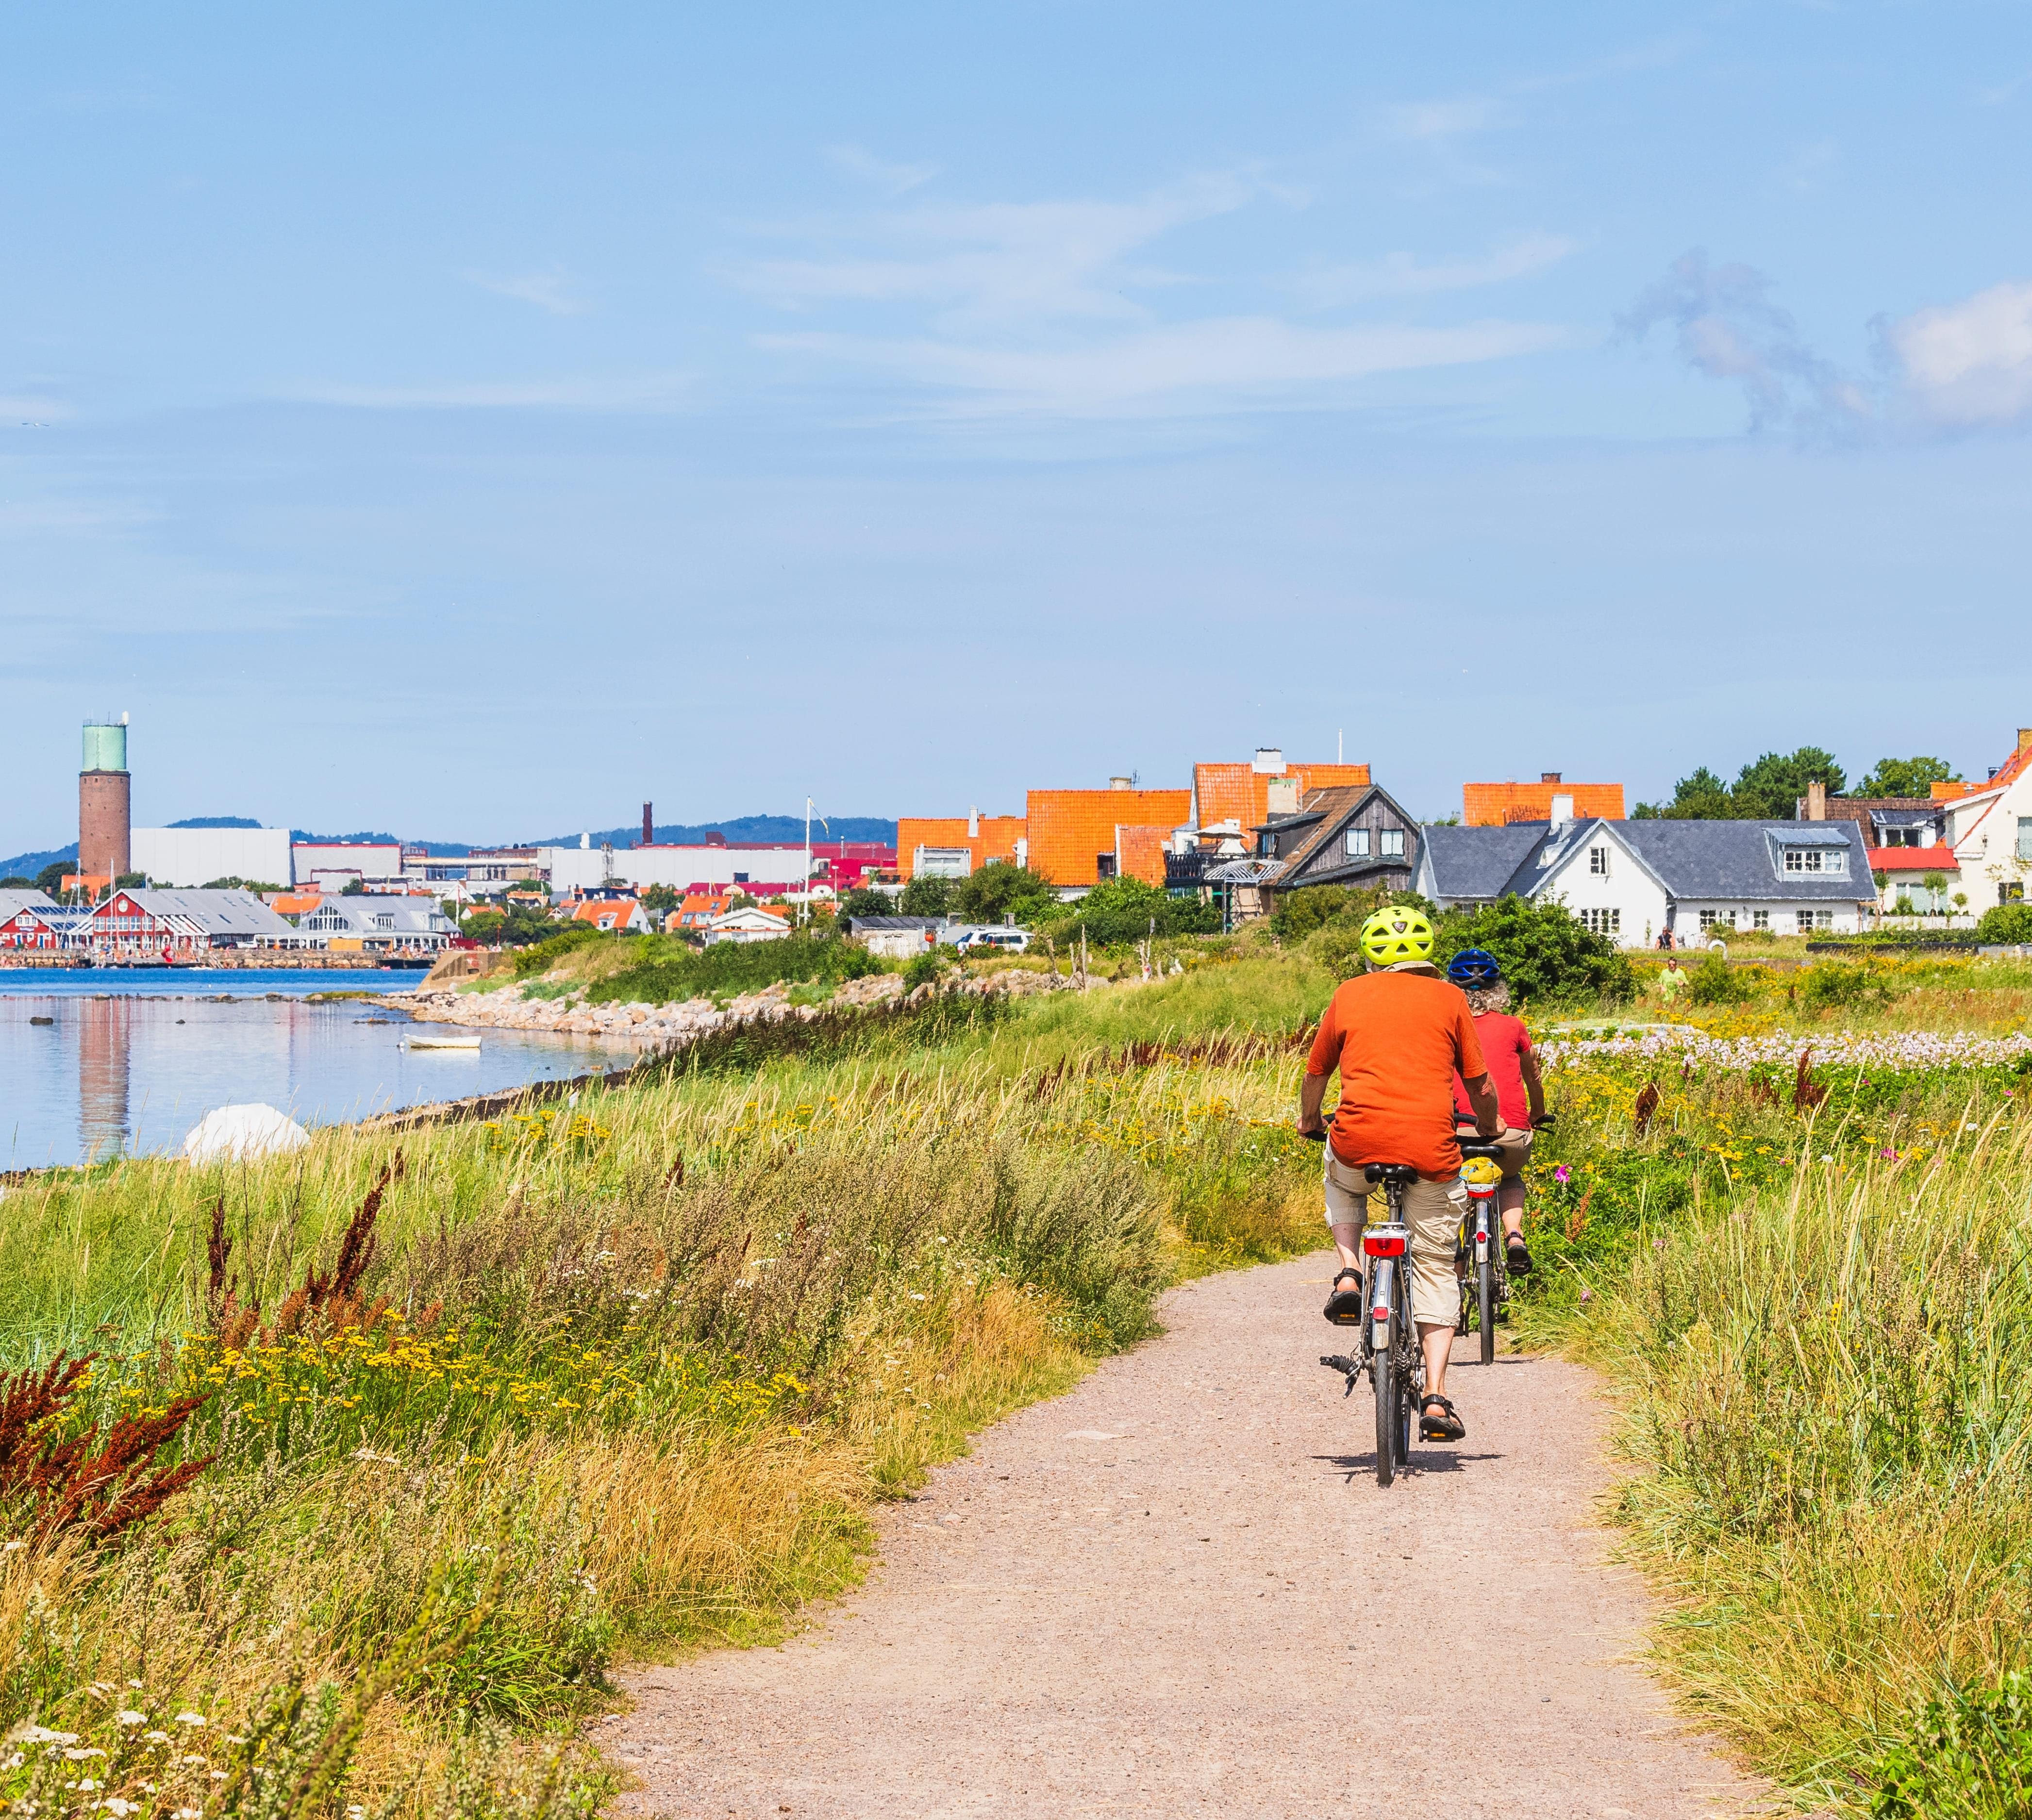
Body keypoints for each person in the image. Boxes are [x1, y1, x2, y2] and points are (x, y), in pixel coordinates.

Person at [1299, 904, 1501, 1444]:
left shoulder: (1348, 994)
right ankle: (1435, 1396)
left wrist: (1310, 1120)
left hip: (1357, 1145)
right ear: (1428, 953)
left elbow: (1316, 1072)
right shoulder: (1451, 998)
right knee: (1435, 1264)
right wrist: (1489, 1125)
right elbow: (1480, 1084)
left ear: (1370, 956)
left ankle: (1349, 1273)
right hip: (1430, 1151)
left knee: (1341, 1179)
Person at [1444, 948, 1548, 1277]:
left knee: (1448, 1185)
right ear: (1498, 990)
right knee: (1510, 1175)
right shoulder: (1514, 1026)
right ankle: (1514, 1234)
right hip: (1510, 1133)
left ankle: (1455, 1264)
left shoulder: (1444, 1027)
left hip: (1456, 1132)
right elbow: (1533, 1075)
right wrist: (1537, 1113)